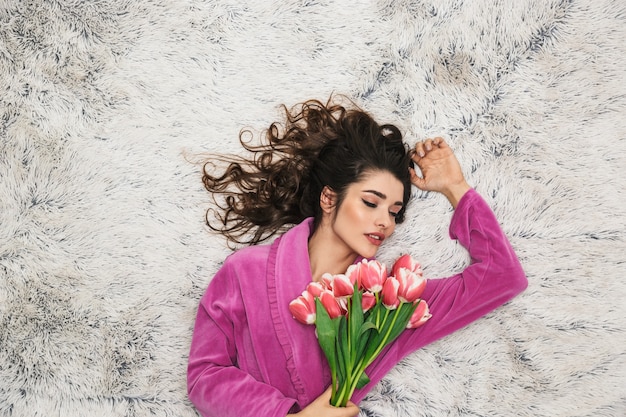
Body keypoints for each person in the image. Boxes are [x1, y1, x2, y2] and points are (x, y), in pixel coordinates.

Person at [187, 98, 528, 417]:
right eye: (370, 202)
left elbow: (502, 276)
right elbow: (204, 375)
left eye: (395, 212)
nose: (385, 221)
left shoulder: (392, 304)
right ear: (328, 199)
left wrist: (455, 187)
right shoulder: (244, 272)